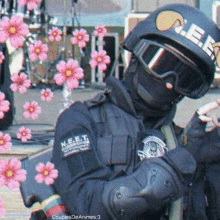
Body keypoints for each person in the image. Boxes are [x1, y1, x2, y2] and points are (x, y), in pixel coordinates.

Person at [33, 3, 220, 220]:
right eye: (162, 64)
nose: (170, 84)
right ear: (137, 53)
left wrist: (209, 166)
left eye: (185, 79)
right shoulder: (80, 120)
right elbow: (87, 205)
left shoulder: (183, 142)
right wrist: (179, 162)